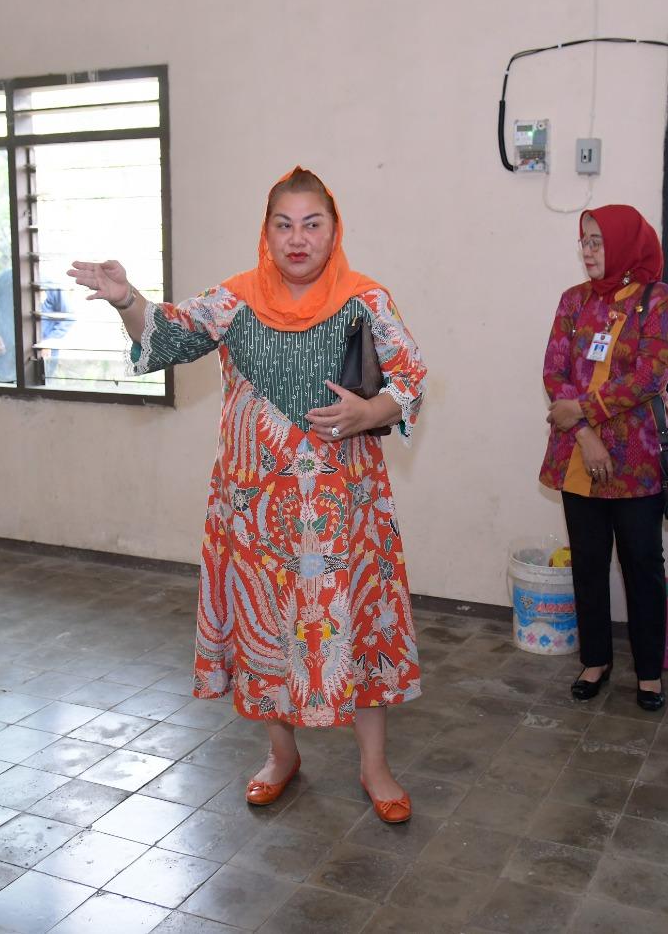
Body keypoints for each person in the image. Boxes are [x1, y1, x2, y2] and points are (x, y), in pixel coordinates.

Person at [69, 167, 425, 823]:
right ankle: (280, 756)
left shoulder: (366, 300)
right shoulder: (234, 301)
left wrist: (369, 413)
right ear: (266, 233)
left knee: (360, 627)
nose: (297, 239)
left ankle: (375, 767)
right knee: (265, 632)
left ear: (333, 229)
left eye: (311, 224)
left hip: (347, 513)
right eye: (283, 225)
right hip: (255, 511)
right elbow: (168, 335)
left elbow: (409, 380)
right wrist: (127, 299)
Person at [541, 206, 668, 712]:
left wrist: (583, 409)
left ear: (626, 244)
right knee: (588, 564)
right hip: (579, 456)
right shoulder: (573, 302)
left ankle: (649, 673)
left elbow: (650, 375)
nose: (588, 250)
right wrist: (583, 432)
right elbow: (554, 373)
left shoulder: (660, 302)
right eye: (584, 241)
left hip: (637, 460)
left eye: (599, 241)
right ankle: (595, 660)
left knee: (643, 564)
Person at [0, 266, 71, 381]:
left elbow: (67, 317)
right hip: (6, 355)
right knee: (4, 394)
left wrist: (51, 341)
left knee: (39, 394)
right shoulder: (3, 280)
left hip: (41, 359)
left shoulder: (49, 284)